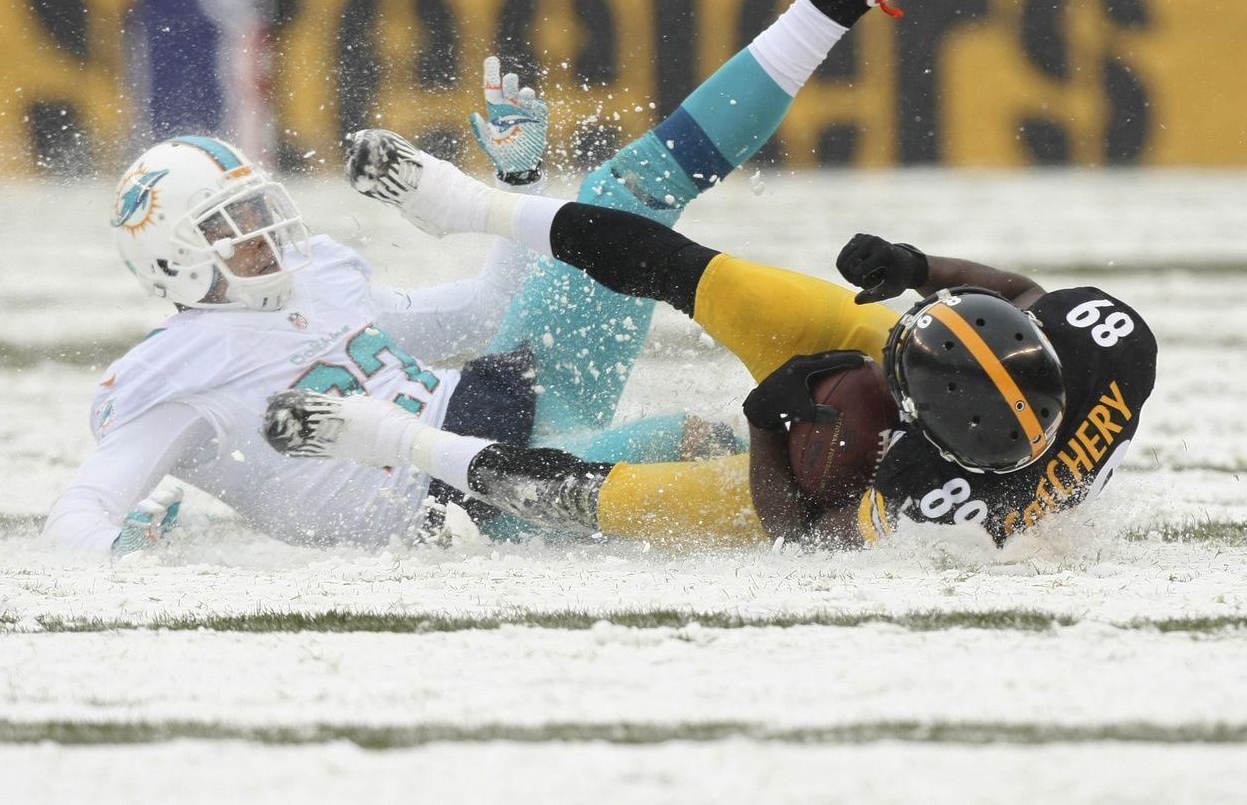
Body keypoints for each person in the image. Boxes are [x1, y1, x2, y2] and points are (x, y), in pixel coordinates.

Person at [42, 0, 927, 555]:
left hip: (510, 385)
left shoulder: (317, 275)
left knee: (620, 195)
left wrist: (513, 186)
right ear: (174, 259)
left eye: (254, 207)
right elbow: (77, 512)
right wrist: (112, 554)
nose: (265, 233)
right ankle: (918, 501)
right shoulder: (169, 378)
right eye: (229, 227)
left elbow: (482, 311)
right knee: (724, 454)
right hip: (489, 492)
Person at [267, 131, 1158, 550]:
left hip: (829, 485)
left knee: (603, 495)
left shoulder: (929, 506)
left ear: (921, 423)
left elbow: (801, 532)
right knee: (701, 273)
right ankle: (468, 207)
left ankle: (391, 437)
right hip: (944, 409)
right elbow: (1017, 294)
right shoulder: (1109, 347)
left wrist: (769, 422)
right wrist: (918, 266)